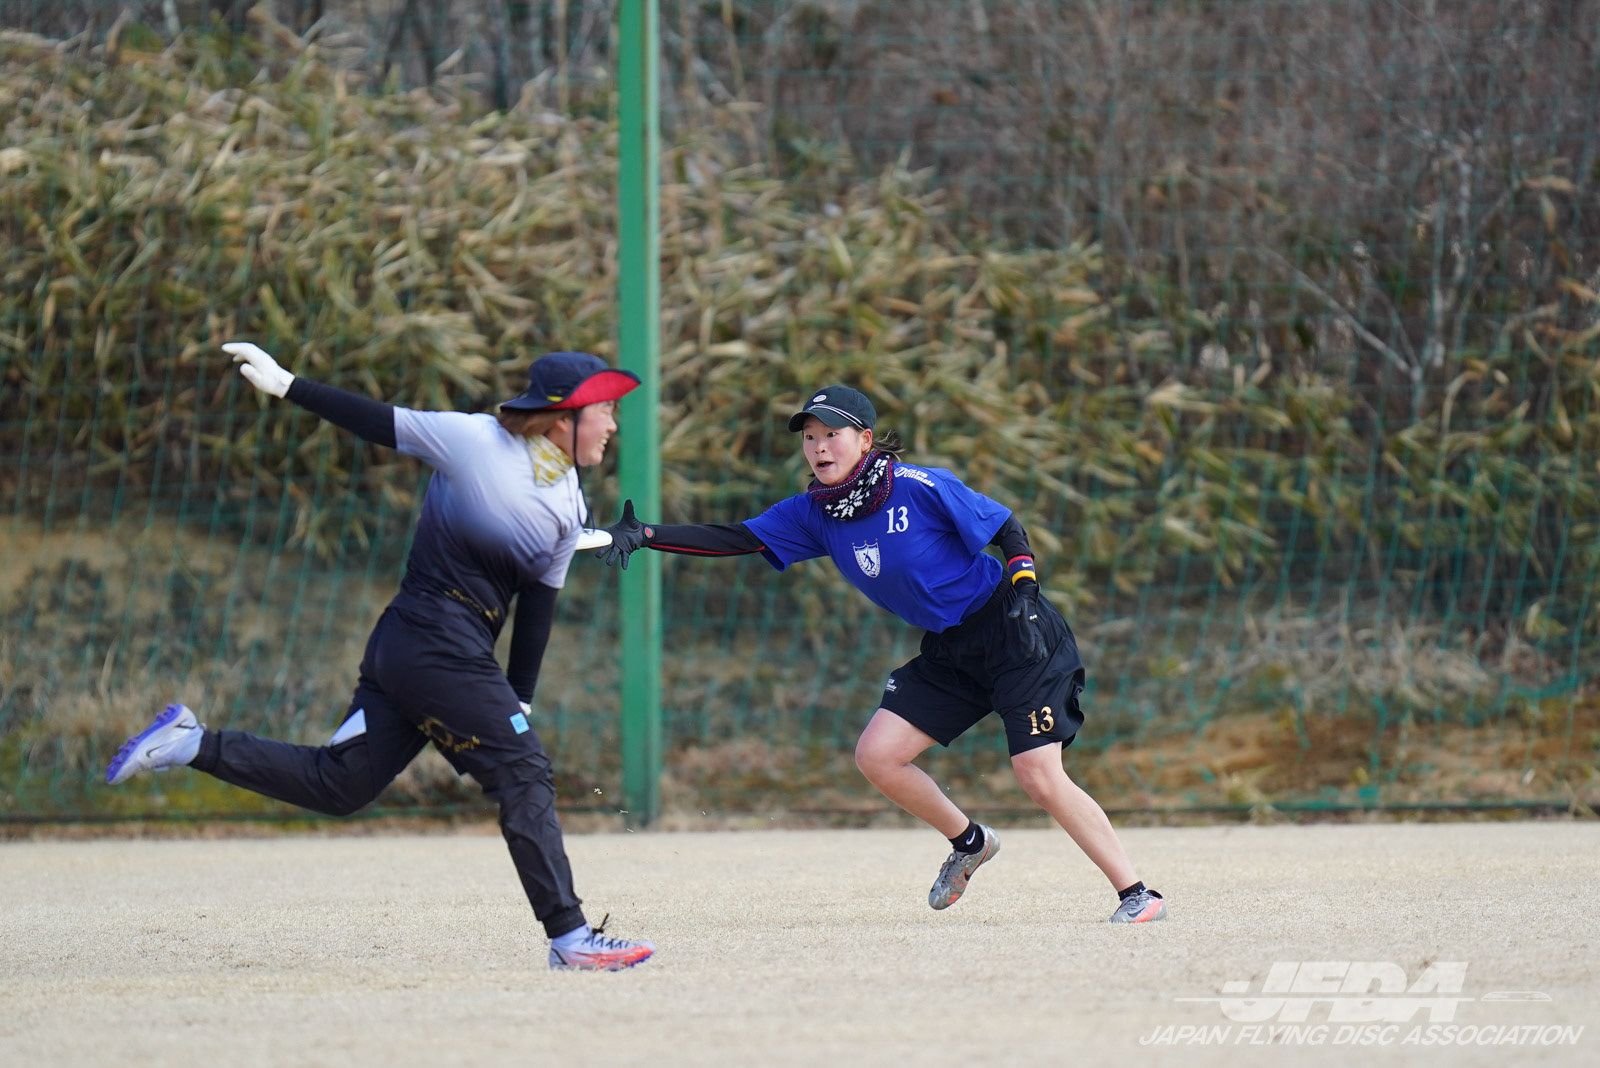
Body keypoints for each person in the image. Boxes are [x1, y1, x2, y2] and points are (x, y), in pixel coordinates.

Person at [105, 342, 656, 970]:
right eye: (604, 411)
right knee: (524, 772)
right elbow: (378, 420)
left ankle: (191, 744)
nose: (612, 425)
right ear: (563, 416)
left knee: (340, 785)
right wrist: (289, 385)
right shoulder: (475, 441)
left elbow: (538, 604)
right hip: (436, 643)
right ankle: (572, 938)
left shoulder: (569, 501)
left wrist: (521, 696)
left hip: (414, 648)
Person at [595, 385, 1165, 923]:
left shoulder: (917, 485)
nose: (819, 447)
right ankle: (970, 842)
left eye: (832, 434)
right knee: (877, 755)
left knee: (1037, 774)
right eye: (810, 437)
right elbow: (738, 538)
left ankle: (1138, 894)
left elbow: (1005, 525)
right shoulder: (813, 513)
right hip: (951, 648)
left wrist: (1025, 589)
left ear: (865, 439)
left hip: (1016, 630)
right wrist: (647, 535)